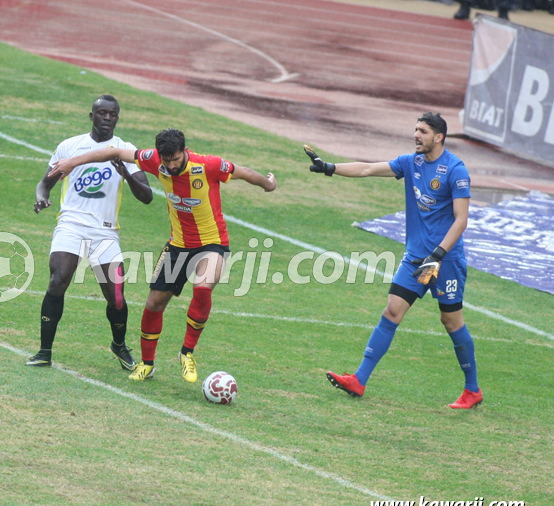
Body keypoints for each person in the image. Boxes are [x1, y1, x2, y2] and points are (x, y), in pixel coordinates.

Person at [48, 128, 276, 383]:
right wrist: (71, 162)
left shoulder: (208, 165)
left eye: (175, 160)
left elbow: (243, 173)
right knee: (154, 303)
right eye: (166, 161)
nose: (170, 166)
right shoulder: (155, 160)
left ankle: (187, 353)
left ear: (185, 151)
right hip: (178, 245)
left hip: (212, 243)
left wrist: (268, 184)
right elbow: (114, 151)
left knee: (202, 288)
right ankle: (147, 364)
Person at [303, 112, 482, 409]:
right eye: (415, 129)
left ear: (438, 137)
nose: (415, 135)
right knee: (392, 311)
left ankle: (472, 390)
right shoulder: (411, 163)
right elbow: (367, 170)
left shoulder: (455, 170)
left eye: (422, 131)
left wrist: (437, 255)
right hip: (415, 259)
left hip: (445, 261)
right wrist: (329, 168)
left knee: (451, 321)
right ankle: (359, 380)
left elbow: (461, 221)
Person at [28, 95, 153, 369]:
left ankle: (119, 345)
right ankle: (44, 351)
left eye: (113, 114)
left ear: (118, 118)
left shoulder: (125, 151)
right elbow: (44, 184)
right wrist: (41, 198)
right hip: (71, 224)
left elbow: (147, 197)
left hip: (105, 232)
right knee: (58, 279)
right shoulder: (69, 146)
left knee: (117, 298)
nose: (107, 118)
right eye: (102, 113)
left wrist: (127, 174)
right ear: (91, 116)